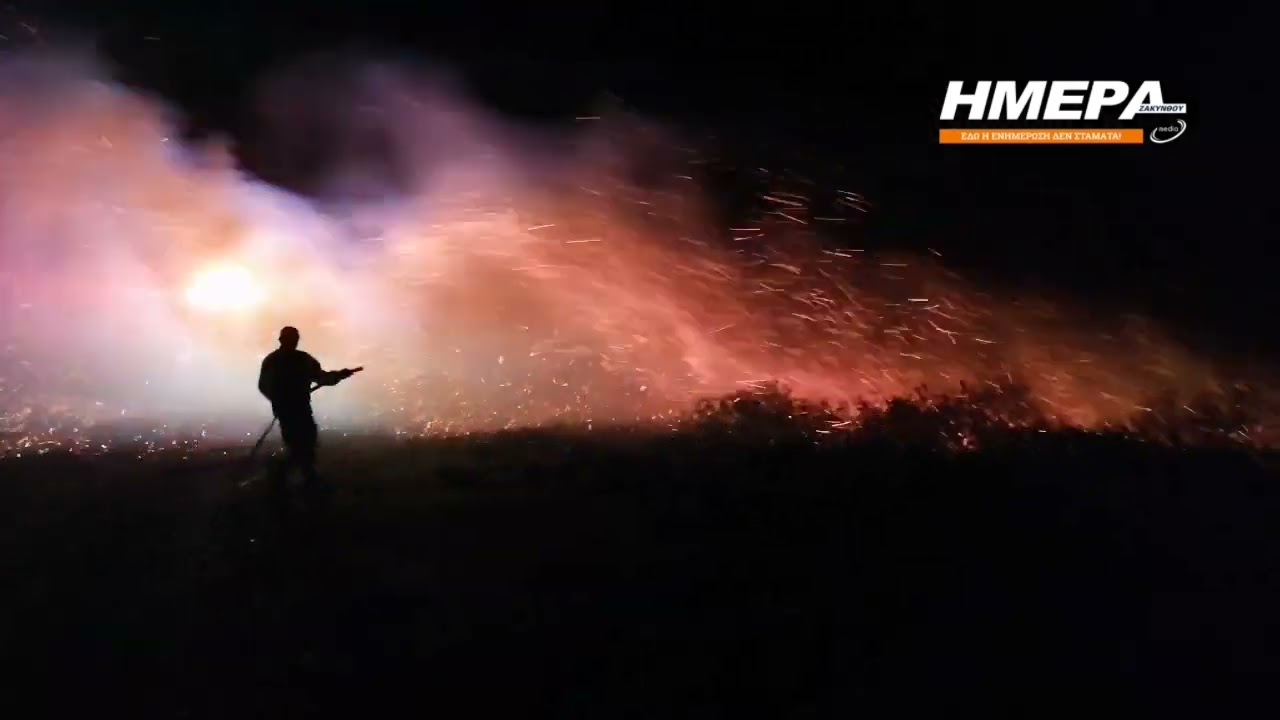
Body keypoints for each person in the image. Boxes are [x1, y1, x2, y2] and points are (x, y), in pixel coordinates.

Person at [257, 326, 356, 501]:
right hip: (292, 409)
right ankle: (287, 478)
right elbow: (265, 386)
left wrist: (339, 375)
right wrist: (280, 400)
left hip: (295, 409)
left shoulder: (285, 360)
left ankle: (300, 480)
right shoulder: (292, 360)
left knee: (305, 443)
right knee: (301, 445)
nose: (292, 342)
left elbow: (321, 377)